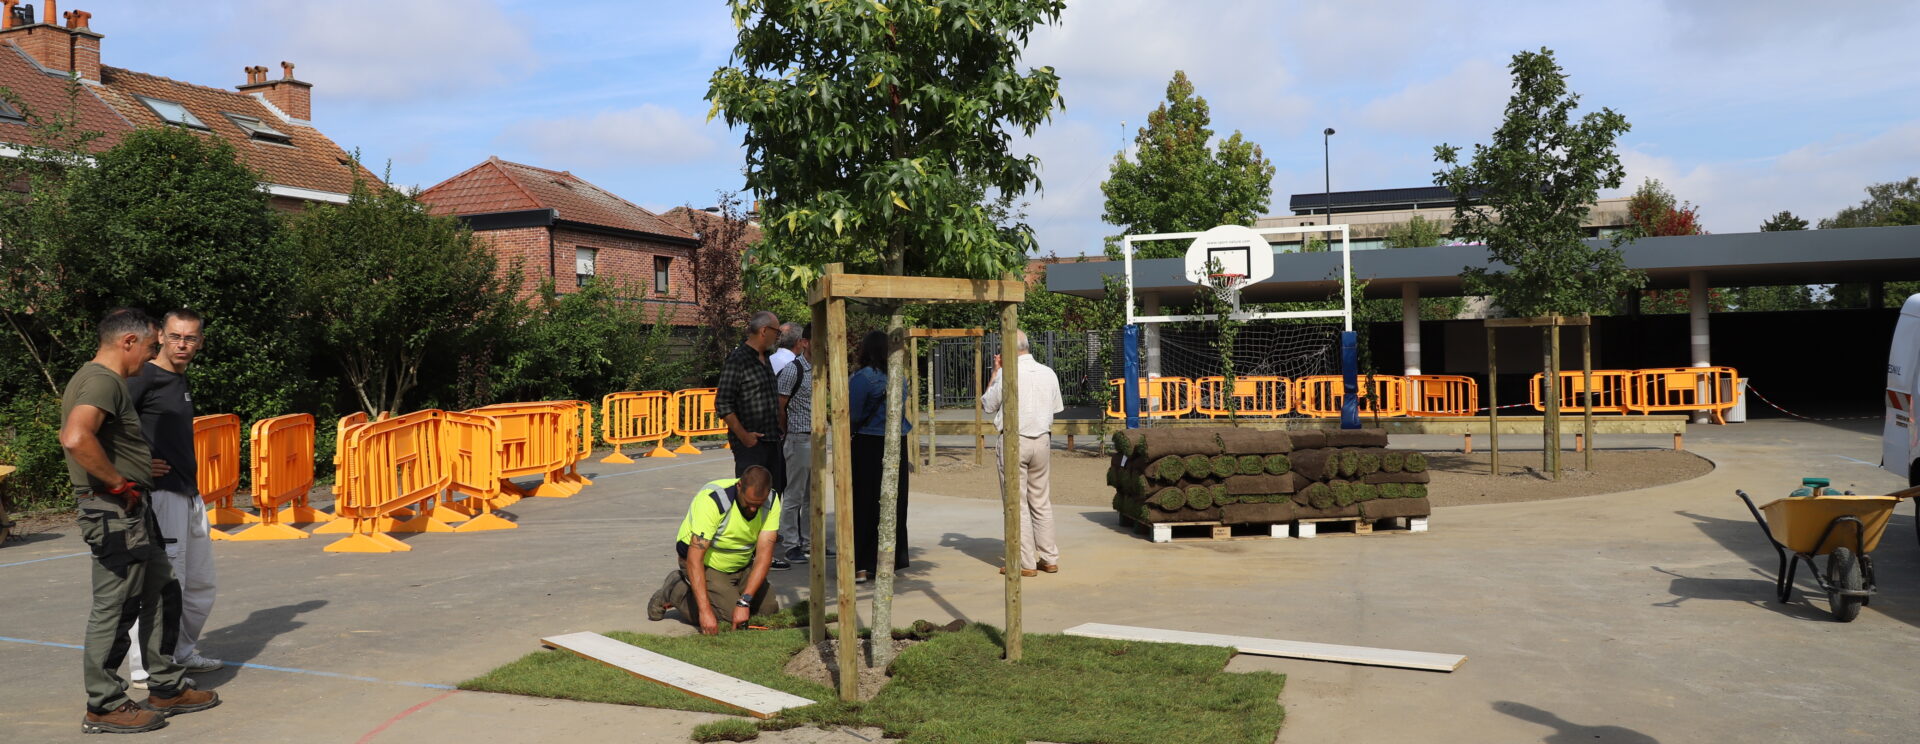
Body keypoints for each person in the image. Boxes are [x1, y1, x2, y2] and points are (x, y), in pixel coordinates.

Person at [61, 308, 220, 734]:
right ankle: (104, 703)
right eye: (153, 345)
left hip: (132, 509)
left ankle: (165, 686)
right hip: (113, 512)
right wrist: (117, 482)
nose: (154, 354)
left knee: (164, 588)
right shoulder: (100, 380)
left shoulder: (110, 380)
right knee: (116, 606)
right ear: (128, 342)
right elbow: (76, 437)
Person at [125, 310, 223, 690]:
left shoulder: (178, 379)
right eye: (176, 337)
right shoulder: (144, 376)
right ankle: (144, 667)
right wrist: (137, 466)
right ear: (161, 337)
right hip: (162, 497)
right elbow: (105, 424)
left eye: (191, 338)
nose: (183, 344)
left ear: (200, 342)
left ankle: (181, 652)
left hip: (189, 493)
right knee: (163, 584)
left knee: (200, 584)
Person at [645, 466, 782, 634]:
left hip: (741, 565)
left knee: (767, 610)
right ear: (739, 486)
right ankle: (675, 589)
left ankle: (729, 596)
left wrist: (744, 602)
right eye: (749, 503)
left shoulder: (772, 500)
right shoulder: (714, 501)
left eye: (758, 505)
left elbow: (764, 557)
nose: (753, 509)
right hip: (705, 565)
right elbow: (694, 559)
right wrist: (704, 612)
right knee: (728, 618)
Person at [981, 331, 1066, 577]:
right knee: (1041, 500)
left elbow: (988, 405)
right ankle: (1049, 558)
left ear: (1007, 349)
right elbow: (1056, 408)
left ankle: (1025, 562)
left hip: (1014, 439)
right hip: (1042, 439)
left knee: (1016, 503)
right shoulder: (1048, 372)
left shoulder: (1008, 372)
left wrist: (995, 372)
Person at [848, 330, 911, 583]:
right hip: (896, 441)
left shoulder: (861, 378)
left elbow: (852, 414)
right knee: (894, 503)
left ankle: (861, 565)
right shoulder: (900, 378)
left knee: (864, 503)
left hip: (867, 443)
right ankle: (888, 561)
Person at [715, 311, 786, 492]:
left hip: (772, 441)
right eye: (776, 332)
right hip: (751, 446)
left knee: (773, 496)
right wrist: (744, 436)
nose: (777, 337)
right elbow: (723, 403)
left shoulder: (766, 358)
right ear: (764, 331)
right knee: (752, 496)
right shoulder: (738, 360)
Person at [773, 323, 813, 571]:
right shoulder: (793, 370)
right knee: (795, 495)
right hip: (798, 438)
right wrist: (785, 432)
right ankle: (791, 543)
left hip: (815, 438)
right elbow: (781, 404)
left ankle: (809, 542)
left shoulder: (820, 370)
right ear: (805, 343)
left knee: (813, 495)